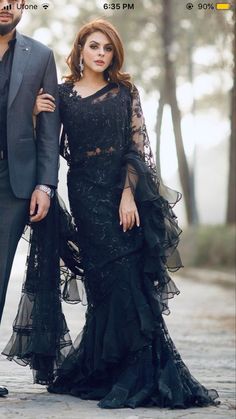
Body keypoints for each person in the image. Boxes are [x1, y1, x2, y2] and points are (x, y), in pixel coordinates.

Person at [4, 18, 219, 409]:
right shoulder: (63, 93)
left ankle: (139, 370)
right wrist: (33, 113)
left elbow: (136, 147)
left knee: (128, 277)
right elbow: (45, 142)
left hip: (121, 194)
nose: (101, 54)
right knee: (103, 284)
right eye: (94, 47)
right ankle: (108, 370)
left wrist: (127, 196)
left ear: (113, 54)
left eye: (107, 49)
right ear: (80, 51)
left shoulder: (125, 92)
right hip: (84, 193)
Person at [0, 0, 60, 397]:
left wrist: (45, 185)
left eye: (13, 0)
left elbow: (49, 128)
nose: (5, 5)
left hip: (13, 183)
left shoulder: (39, 56)